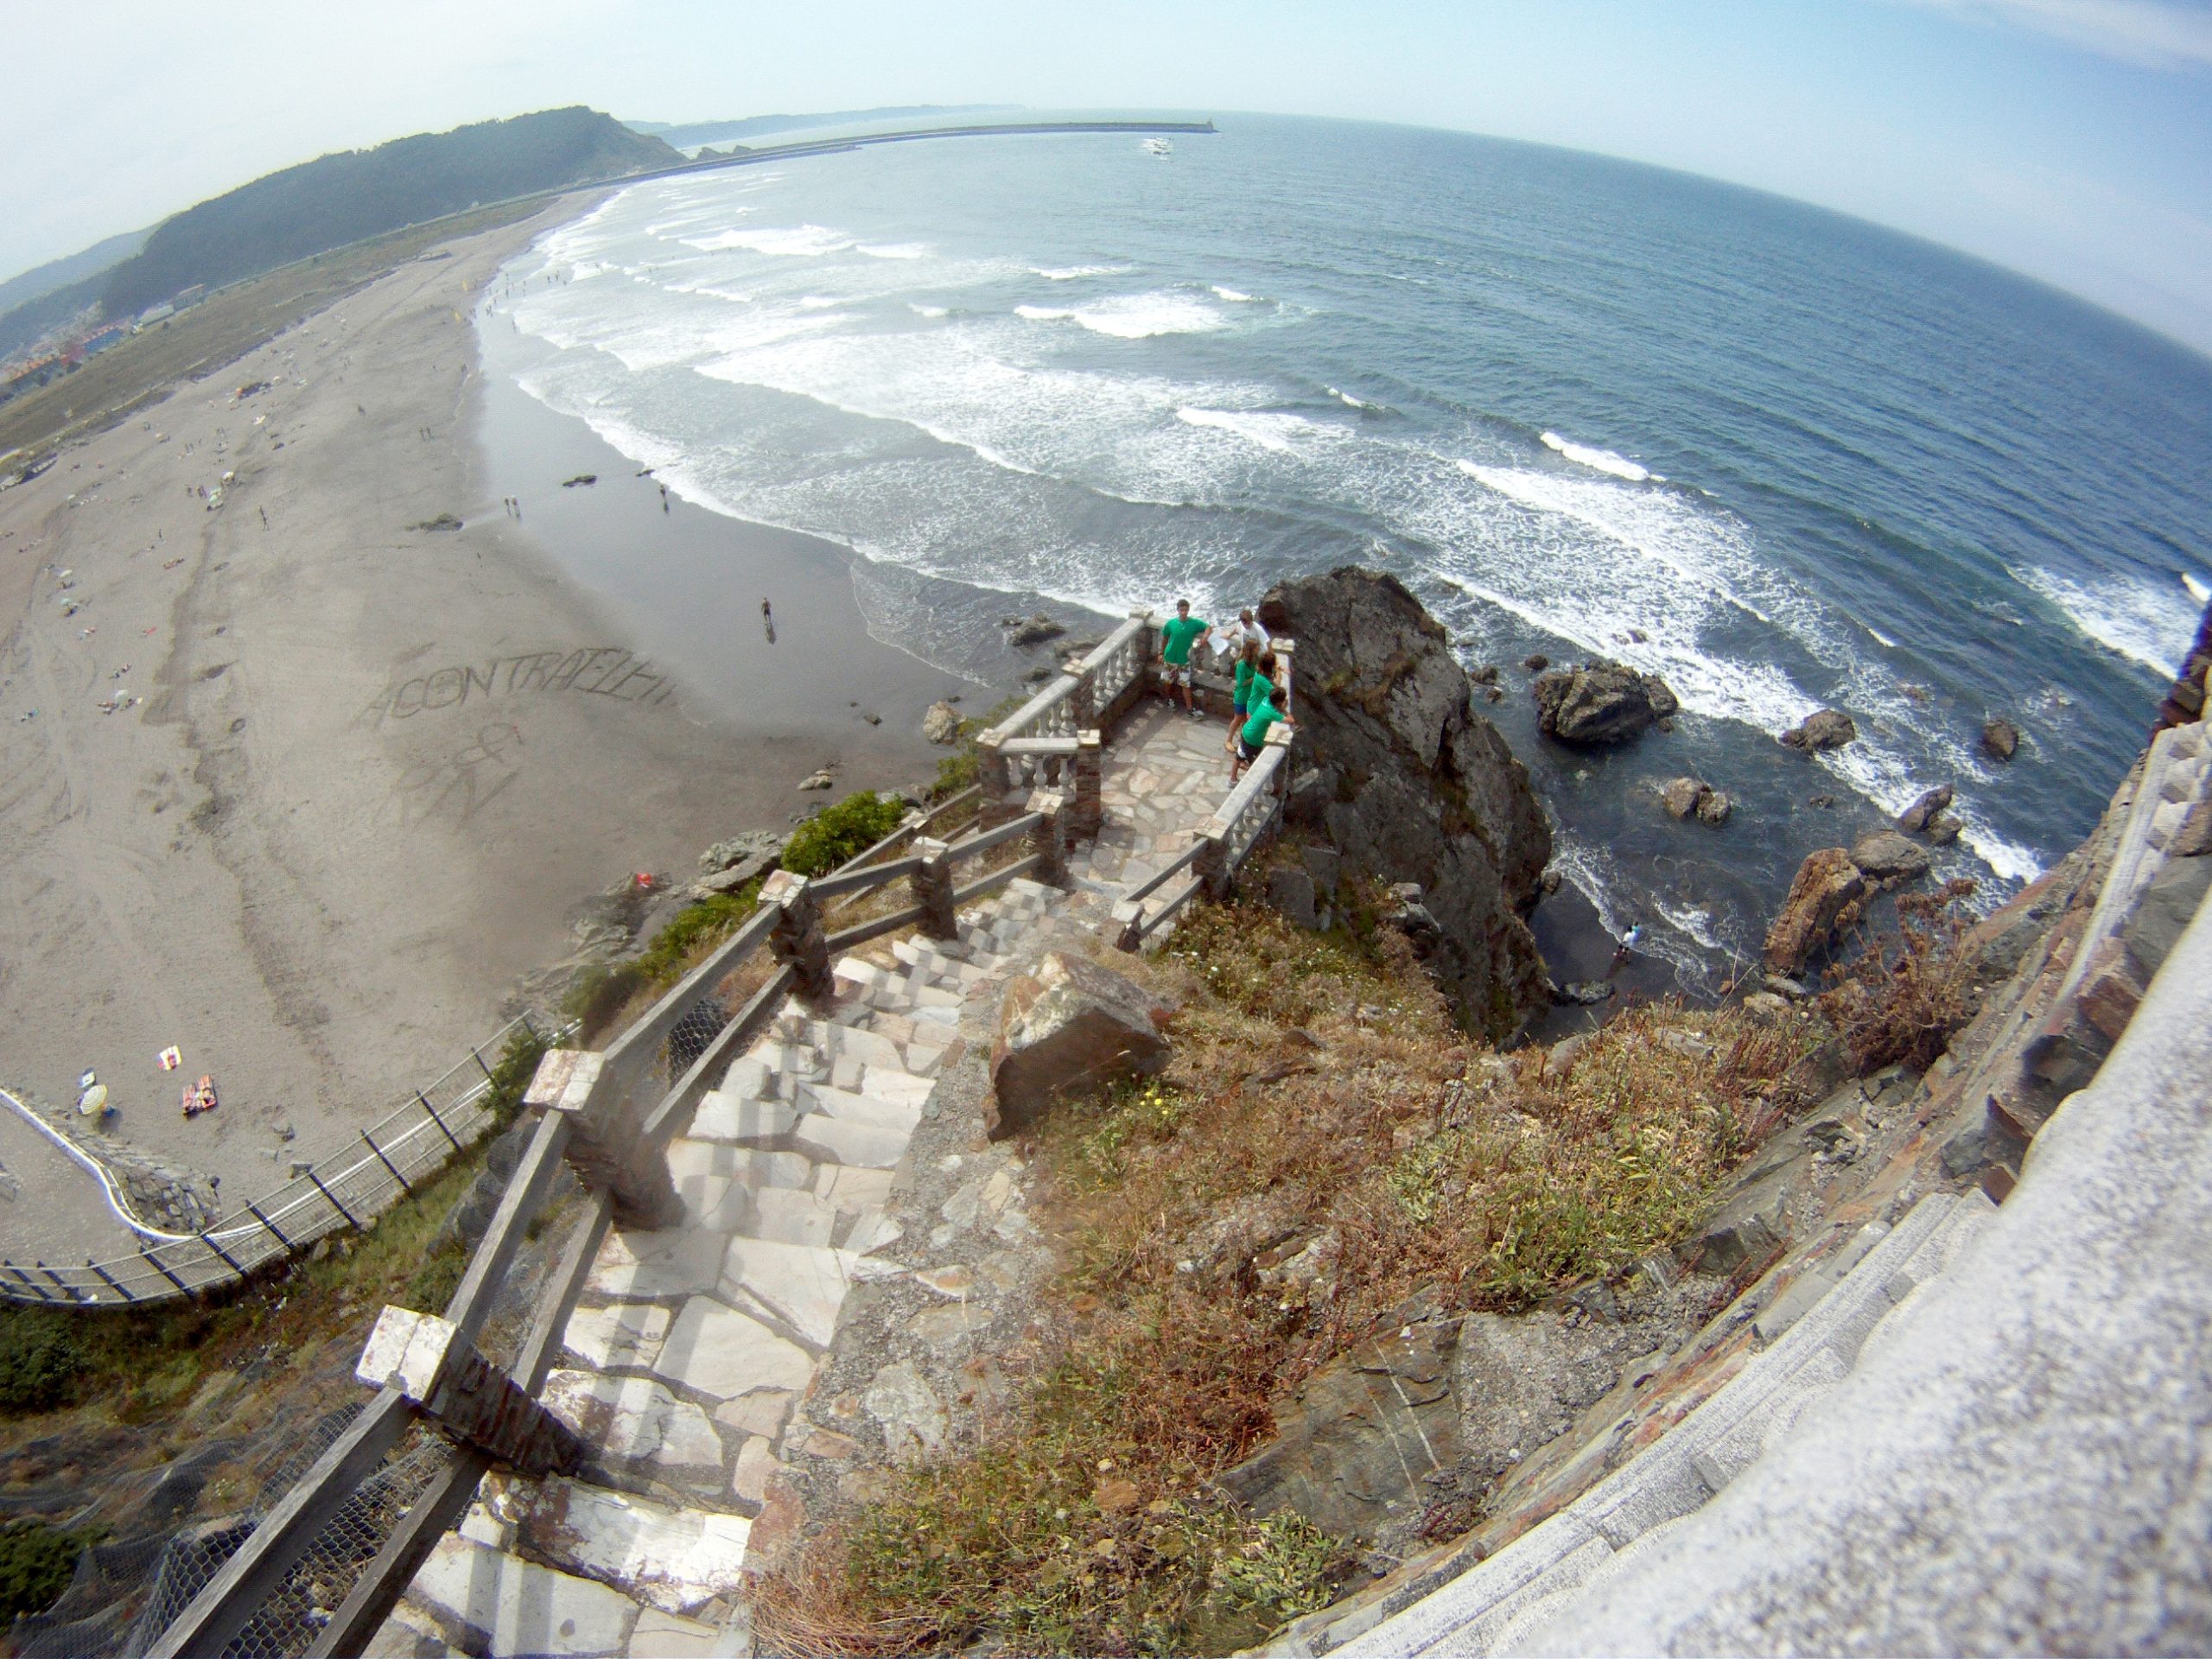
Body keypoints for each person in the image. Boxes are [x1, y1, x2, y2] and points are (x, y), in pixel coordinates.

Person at [1230, 651, 1294, 782]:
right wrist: (1280, 673)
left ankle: (1236, 770)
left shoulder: (1260, 675)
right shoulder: (1263, 681)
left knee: (1243, 747)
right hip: (1253, 713)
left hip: (1252, 715)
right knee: (1254, 757)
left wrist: (1278, 668)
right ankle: (1246, 764)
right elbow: (1275, 690)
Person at [1157, 599, 1211, 718]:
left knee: (1185, 684)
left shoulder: (1193, 623)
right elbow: (1165, 638)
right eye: (1181, 610)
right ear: (1178, 610)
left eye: (1186, 610)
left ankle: (1189, 708)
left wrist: (1205, 637)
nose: (1183, 612)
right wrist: (1161, 653)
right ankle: (1168, 699)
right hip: (1170, 657)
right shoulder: (1171, 623)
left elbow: (1208, 626)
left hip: (1184, 660)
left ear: (1188, 610)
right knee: (1167, 681)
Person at [1224, 636, 1262, 753]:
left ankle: (1243, 742)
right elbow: (1241, 683)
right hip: (1242, 696)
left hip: (1251, 696)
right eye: (1257, 648)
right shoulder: (1241, 664)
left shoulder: (1255, 660)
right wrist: (1254, 678)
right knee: (1238, 719)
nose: (1258, 650)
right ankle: (1228, 741)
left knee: (1247, 720)